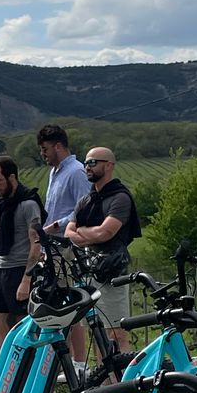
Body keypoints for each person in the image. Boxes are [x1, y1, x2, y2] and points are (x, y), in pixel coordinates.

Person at [65, 146, 141, 356]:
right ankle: (106, 384)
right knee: (98, 332)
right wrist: (87, 233)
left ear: (108, 166)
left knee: (115, 332)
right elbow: (68, 232)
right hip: (90, 270)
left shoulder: (120, 198)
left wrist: (80, 232)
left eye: (92, 162)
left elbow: (105, 233)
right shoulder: (87, 200)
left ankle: (123, 383)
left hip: (111, 271)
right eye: (85, 163)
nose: (87, 167)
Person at [0, 156, 44, 355]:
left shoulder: (28, 204)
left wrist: (26, 280)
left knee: (21, 325)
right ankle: (4, 371)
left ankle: (23, 371)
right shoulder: (1, 202)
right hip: (1, 268)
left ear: (12, 177)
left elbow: (36, 244)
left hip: (19, 269)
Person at [38, 124, 90, 364]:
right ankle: (64, 361)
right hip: (53, 248)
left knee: (72, 305)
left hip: (68, 247)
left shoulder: (77, 172)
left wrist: (56, 225)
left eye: (45, 148)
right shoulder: (54, 172)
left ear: (58, 145)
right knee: (58, 305)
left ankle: (79, 363)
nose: (43, 154)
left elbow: (84, 209)